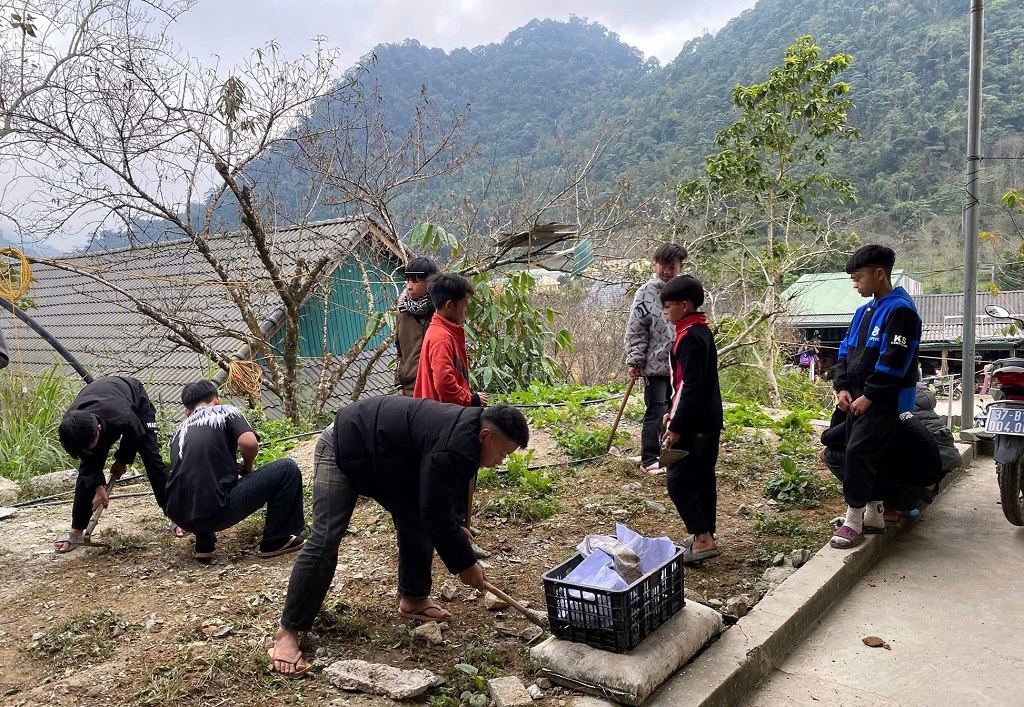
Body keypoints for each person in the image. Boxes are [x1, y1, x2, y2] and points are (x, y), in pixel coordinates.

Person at [268, 397, 529, 677]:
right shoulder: (456, 443)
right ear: (485, 435)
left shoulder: (470, 436)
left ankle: (413, 597)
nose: (501, 461)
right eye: (503, 453)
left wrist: (454, 525)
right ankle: (288, 631)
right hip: (345, 443)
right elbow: (434, 509)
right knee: (325, 539)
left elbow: (441, 488)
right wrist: (465, 565)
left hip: (387, 458)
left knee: (416, 518)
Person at [830, 244, 921, 549]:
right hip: (856, 399)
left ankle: (853, 519)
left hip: (884, 401)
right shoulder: (863, 312)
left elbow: (895, 360)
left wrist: (870, 395)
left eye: (858, 278)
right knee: (867, 454)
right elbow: (844, 352)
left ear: (879, 274)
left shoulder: (901, 311)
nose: (855, 284)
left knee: (858, 453)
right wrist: (842, 387)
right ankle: (874, 514)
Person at [164, 381, 306, 562]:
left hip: (180, 515)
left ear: (187, 411)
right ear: (216, 401)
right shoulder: (225, 411)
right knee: (287, 468)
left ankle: (204, 543)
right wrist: (248, 465)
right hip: (216, 512)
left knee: (202, 479)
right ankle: (277, 539)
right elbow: (249, 442)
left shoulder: (178, 431)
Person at [54, 376, 172, 552]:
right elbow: (87, 462)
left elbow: (136, 435)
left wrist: (123, 459)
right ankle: (77, 530)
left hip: (135, 402)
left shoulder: (122, 417)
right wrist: (97, 486)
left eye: (90, 445)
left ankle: (177, 515)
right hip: (102, 402)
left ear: (98, 430)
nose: (87, 450)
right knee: (87, 468)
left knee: (152, 459)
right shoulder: (72, 425)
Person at [660, 274, 723, 564]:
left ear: (684, 305)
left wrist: (676, 425)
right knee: (702, 477)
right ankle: (706, 532)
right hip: (708, 420)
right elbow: (685, 386)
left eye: (668, 306)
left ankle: (702, 537)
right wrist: (671, 411)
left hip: (694, 425)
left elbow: (689, 386)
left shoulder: (687, 338)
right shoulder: (702, 331)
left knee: (679, 481)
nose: (665, 312)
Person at [624, 242, 688, 475]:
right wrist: (635, 360)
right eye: (663, 266)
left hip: (679, 365)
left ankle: (667, 454)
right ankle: (649, 459)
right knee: (656, 410)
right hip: (655, 365)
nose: (667, 271)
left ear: (680, 267)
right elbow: (636, 329)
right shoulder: (645, 293)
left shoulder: (684, 291)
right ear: (654, 265)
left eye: (672, 267)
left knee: (675, 411)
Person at [414, 273, 488, 407]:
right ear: (449, 305)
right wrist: (470, 400)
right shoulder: (441, 337)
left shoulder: (441, 331)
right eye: (464, 304)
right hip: (442, 415)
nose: (465, 310)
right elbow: (444, 382)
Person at [395, 257, 440, 396]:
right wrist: (399, 385)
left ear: (430, 282)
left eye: (415, 281)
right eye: (407, 280)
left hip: (438, 388)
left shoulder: (442, 311)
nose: (409, 286)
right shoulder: (402, 314)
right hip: (411, 390)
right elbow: (400, 353)